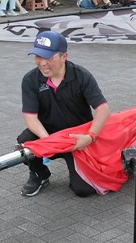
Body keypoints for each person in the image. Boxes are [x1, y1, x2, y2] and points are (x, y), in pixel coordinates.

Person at [19, 31, 111, 197]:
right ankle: (40, 173)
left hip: (77, 138)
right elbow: (30, 117)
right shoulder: (30, 80)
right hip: (49, 134)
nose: (42, 63)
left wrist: (90, 137)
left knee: (83, 190)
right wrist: (47, 140)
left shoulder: (81, 76)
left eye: (48, 57)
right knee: (25, 141)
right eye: (38, 56)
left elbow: (103, 110)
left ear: (64, 56)